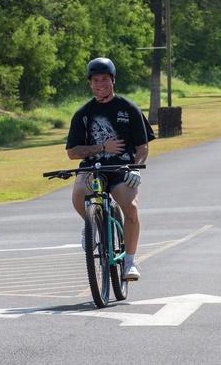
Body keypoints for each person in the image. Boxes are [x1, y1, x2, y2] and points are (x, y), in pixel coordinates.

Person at [66, 57, 151, 281]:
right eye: (95, 80)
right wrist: (102, 147)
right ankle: (90, 226)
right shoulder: (82, 114)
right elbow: (72, 152)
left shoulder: (129, 109)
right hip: (92, 168)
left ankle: (130, 263)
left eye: (105, 79)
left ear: (113, 80)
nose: (100, 84)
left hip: (121, 169)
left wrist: (136, 168)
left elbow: (143, 146)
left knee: (131, 208)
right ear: (90, 84)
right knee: (78, 193)